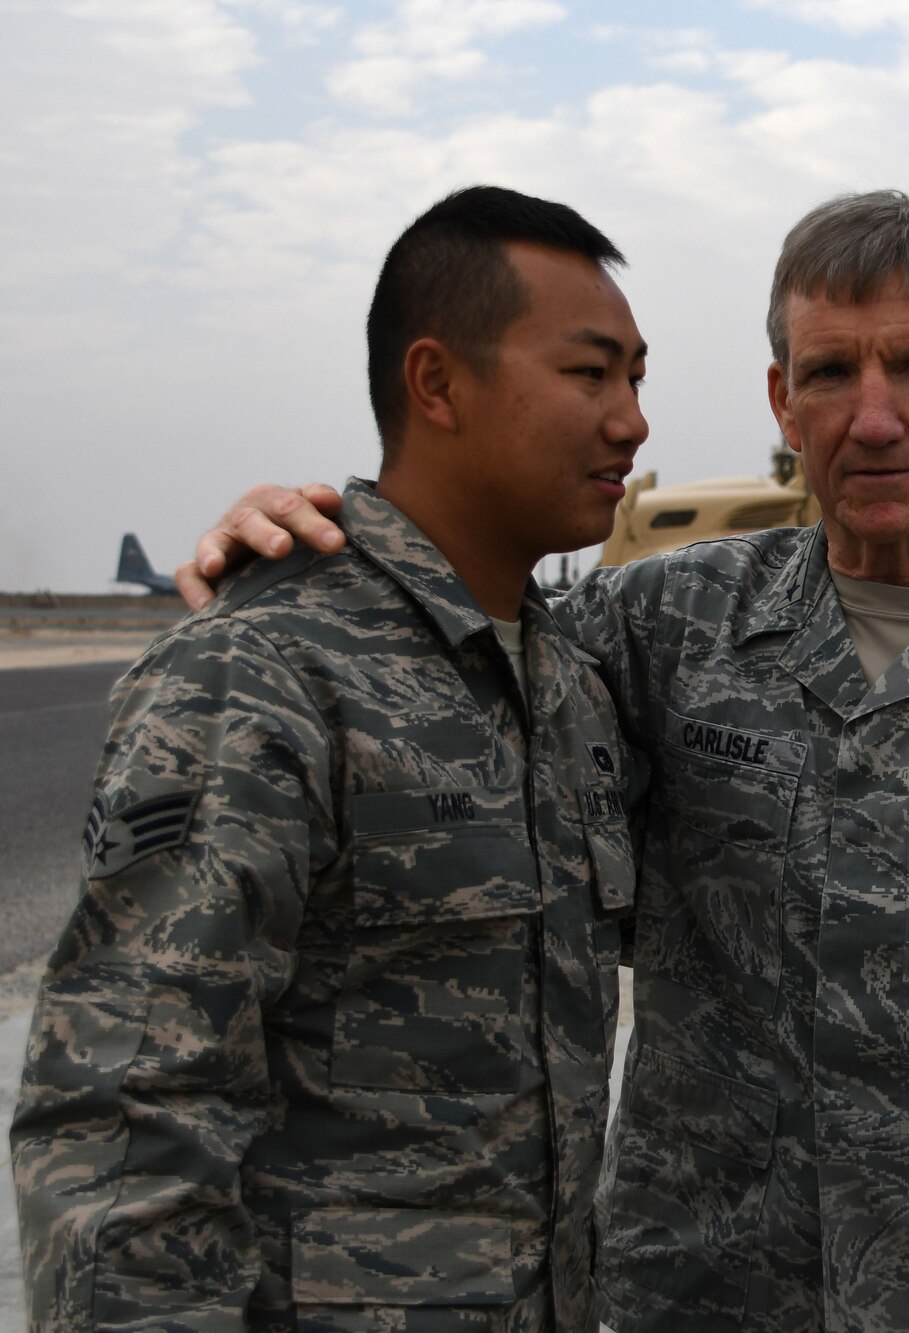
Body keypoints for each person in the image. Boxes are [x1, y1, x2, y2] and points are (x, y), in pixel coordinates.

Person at [181, 189, 909, 1332]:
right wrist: (321, 546)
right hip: (710, 1292)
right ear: (780, 400)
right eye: (829, 373)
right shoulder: (657, 630)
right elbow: (449, 656)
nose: (874, 416)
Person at [14, 185, 649, 1331]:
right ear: (436, 382)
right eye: (589, 373)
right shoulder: (262, 670)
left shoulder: (566, 684)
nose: (631, 420)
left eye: (635, 377)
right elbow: (128, 1118)